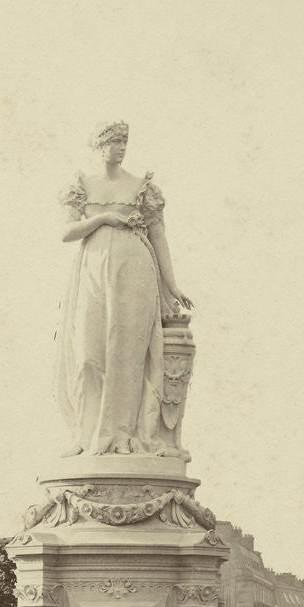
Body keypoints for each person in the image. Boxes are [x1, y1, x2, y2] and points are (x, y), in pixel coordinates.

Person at [55, 121, 193, 456]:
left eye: (125, 142)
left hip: (136, 272)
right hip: (93, 273)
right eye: (116, 142)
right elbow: (66, 232)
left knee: (128, 356)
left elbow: (159, 237)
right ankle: (86, 436)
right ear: (100, 145)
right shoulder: (82, 184)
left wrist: (171, 284)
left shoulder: (141, 187)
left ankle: (124, 435)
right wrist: (103, 219)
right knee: (89, 355)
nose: (121, 148)